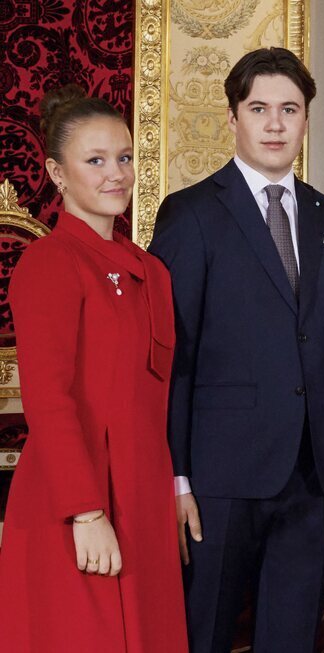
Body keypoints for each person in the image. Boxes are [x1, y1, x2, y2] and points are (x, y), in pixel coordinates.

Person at [148, 48, 324, 652]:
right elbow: (171, 355)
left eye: (288, 109)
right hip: (219, 474)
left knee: (291, 639)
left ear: (305, 120)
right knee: (204, 632)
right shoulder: (190, 213)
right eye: (259, 108)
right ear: (233, 117)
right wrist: (177, 476)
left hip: (310, 471)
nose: (274, 124)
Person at [0, 84, 186, 652]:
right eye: (96, 161)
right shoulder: (50, 262)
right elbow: (49, 401)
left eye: (125, 157)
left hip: (143, 495)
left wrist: (172, 491)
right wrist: (85, 512)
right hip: (76, 499)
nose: (117, 174)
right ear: (57, 174)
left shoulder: (151, 270)